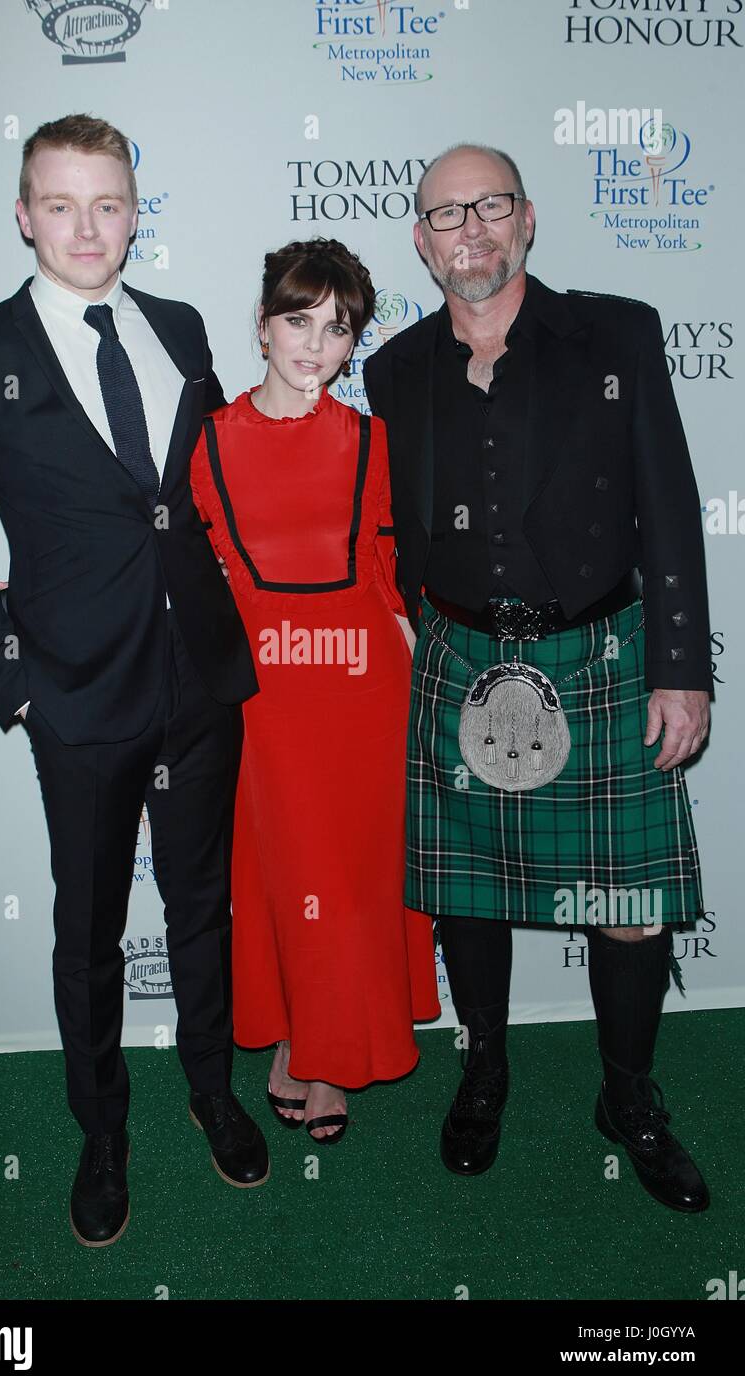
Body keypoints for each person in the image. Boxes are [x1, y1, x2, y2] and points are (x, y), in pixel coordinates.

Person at [0, 113, 269, 1248]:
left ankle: (214, 1093)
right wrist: (18, 689)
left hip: (202, 683)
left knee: (203, 909)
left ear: (134, 211)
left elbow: (203, 499)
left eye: (108, 202)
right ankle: (102, 1131)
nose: (87, 225)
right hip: (76, 696)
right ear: (23, 215)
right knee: (90, 931)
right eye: (60, 203)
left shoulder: (180, 325)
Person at [363, 144, 712, 1211]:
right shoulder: (395, 369)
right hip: (459, 656)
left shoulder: (617, 334)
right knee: (471, 896)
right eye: (446, 214)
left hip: (602, 655)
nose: (470, 228)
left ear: (527, 220)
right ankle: (485, 1068)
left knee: (630, 901)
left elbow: (672, 506)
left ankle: (629, 1093)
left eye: (491, 206)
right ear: (421, 242)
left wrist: (681, 666)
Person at [189, 238, 440, 1143]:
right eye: (298, 320)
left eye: (337, 329)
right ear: (262, 326)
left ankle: (327, 1052)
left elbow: (386, 566)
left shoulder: (374, 440)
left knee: (353, 877)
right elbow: (193, 569)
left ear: (352, 345)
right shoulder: (207, 444)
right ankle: (296, 1031)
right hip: (267, 696)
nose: (314, 344)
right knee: (287, 874)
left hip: (367, 692)